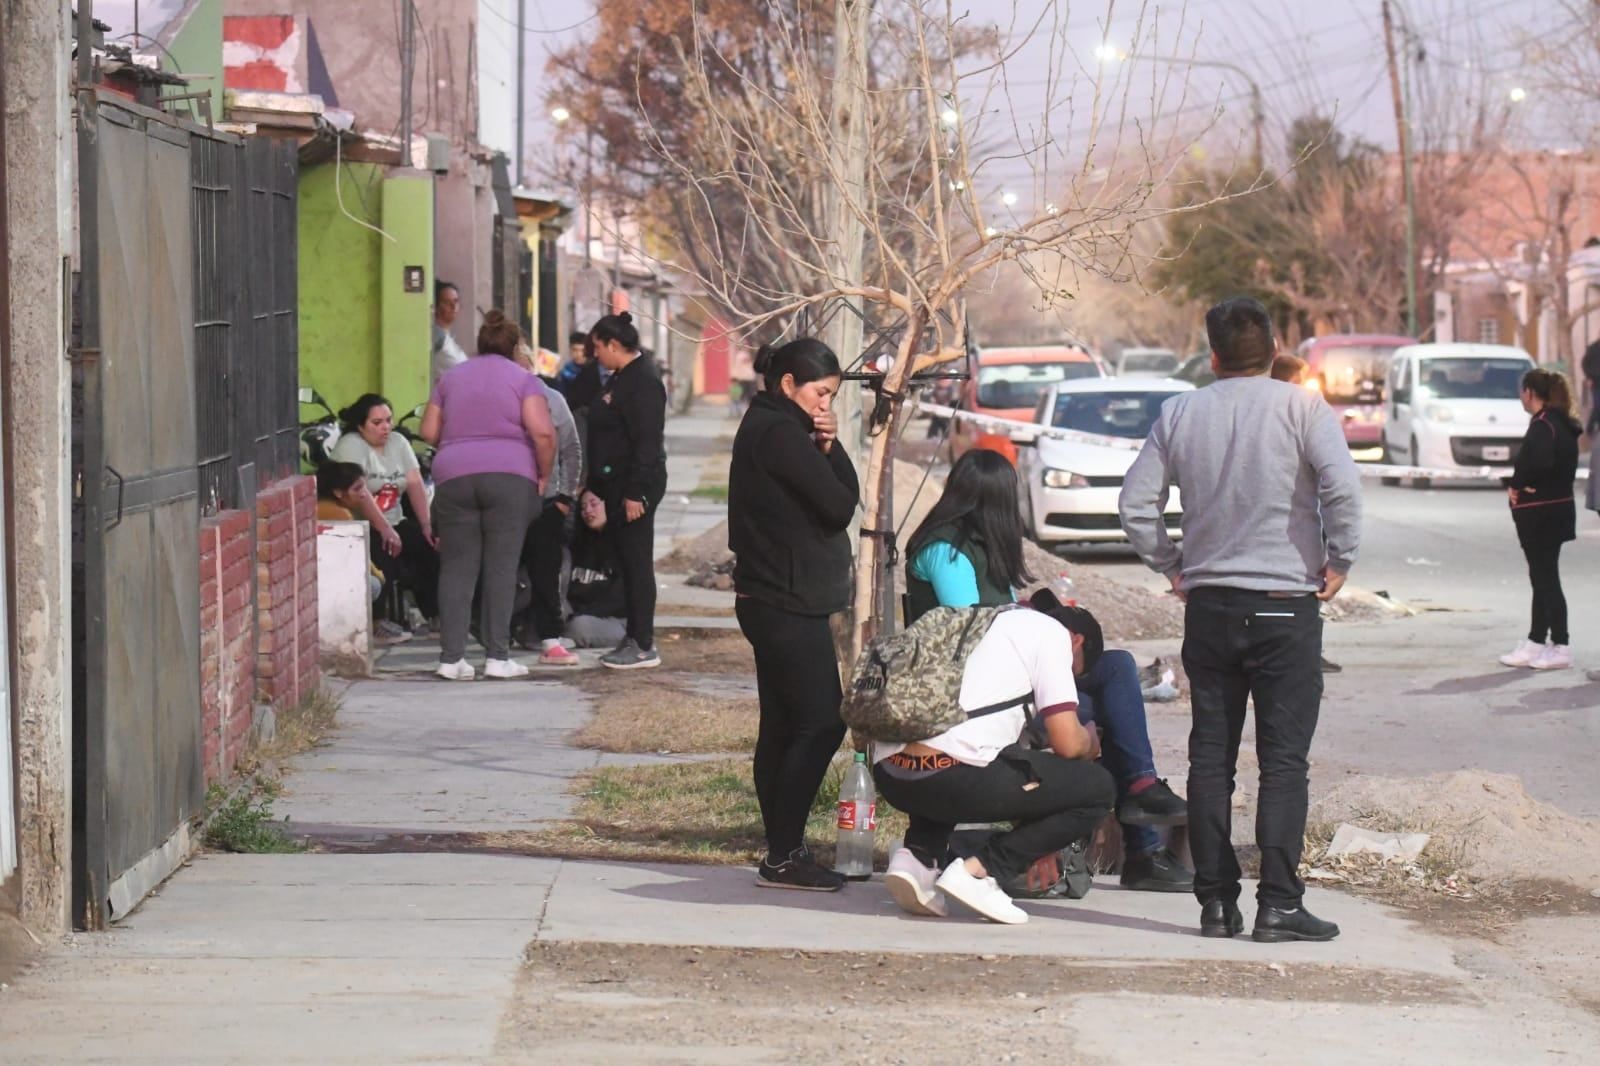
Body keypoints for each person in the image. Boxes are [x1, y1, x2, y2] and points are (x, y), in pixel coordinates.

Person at [1119, 296, 1362, 944]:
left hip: (1212, 606)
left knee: (1210, 758)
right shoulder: (1304, 409)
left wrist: (1172, 566)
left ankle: (1216, 904)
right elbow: (1341, 488)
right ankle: (1279, 904)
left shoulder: (1182, 412)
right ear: (1276, 347)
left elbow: (1136, 503)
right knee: (1283, 763)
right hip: (1286, 606)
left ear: (1214, 355)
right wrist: (1339, 559)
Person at [903, 450, 1191, 893]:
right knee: (1105, 713)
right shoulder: (948, 551)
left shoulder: (979, 548)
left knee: (1115, 667)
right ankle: (1143, 844)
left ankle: (1142, 792)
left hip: (1010, 678)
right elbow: (969, 629)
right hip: (976, 695)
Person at [875, 603, 1116, 925]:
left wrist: (1039, 831)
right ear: (1077, 641)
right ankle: (981, 871)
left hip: (891, 774)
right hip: (953, 777)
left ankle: (916, 859)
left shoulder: (978, 619)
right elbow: (1067, 743)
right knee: (1097, 787)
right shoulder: (1052, 634)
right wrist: (1090, 741)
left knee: (957, 745)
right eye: (1073, 671)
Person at [729, 338, 858, 891]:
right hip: (784, 600)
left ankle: (783, 848)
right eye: (820, 393)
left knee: (783, 727)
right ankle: (783, 852)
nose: (825, 405)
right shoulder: (780, 433)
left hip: (778, 597)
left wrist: (828, 446)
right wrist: (827, 450)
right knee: (822, 721)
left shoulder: (773, 425)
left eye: (832, 396)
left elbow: (839, 498)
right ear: (789, 385)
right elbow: (838, 505)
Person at [420, 311, 557, 681]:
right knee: (501, 566)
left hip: (454, 475)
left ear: (480, 345)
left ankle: (451, 660)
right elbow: (543, 434)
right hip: (510, 477)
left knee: (457, 567)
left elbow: (429, 431)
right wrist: (543, 474)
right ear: (514, 348)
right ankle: (498, 657)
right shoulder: (523, 379)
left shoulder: (450, 377)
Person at [585, 311, 669, 670]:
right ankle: (632, 634)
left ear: (614, 345)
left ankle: (643, 641)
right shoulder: (620, 378)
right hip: (614, 482)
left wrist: (636, 493)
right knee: (624, 559)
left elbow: (647, 442)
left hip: (636, 484)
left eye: (598, 348)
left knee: (636, 561)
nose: (595, 355)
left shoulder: (643, 382)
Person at [331, 393, 439, 631]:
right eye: (377, 423)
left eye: (389, 420)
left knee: (430, 547)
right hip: (361, 525)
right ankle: (378, 621)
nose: (385, 428)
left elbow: (414, 483)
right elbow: (360, 491)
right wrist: (385, 529)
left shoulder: (398, 442)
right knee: (383, 552)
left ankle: (435, 614)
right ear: (361, 425)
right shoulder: (351, 446)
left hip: (395, 520)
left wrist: (427, 524)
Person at [1499, 368, 1581, 672]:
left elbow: (1540, 462)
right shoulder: (1559, 423)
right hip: (1557, 509)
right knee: (1541, 577)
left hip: (1541, 512)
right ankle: (1536, 640)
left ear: (1530, 393)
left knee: (1546, 579)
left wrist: (1519, 484)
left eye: (1522, 391)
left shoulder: (1544, 425)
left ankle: (1561, 644)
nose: (1521, 396)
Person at [511, 343, 584, 666]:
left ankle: (549, 636)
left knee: (546, 570)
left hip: (547, 501)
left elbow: (571, 450)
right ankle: (494, 631)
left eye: (522, 366)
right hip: (507, 500)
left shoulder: (552, 400)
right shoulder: (496, 403)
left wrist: (565, 498)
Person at [316, 461, 405, 641]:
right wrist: (378, 574)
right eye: (357, 488)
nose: (365, 494)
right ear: (338, 493)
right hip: (326, 579)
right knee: (373, 585)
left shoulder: (324, 506)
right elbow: (355, 559)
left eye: (364, 486)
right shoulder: (339, 515)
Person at [564, 490, 630, 650]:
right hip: (576, 615)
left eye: (594, 504)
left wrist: (582, 613)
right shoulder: (577, 545)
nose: (588, 511)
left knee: (579, 627)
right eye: (583, 507)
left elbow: (620, 599)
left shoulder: (624, 545)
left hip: (610, 619)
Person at [431, 280, 467, 384]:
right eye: (447, 302)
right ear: (437, 307)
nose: (453, 306)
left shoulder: (449, 339)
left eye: (456, 301)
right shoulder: (436, 335)